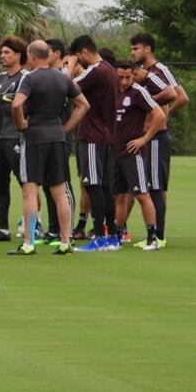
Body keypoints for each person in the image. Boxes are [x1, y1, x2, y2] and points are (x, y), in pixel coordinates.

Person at [7, 41, 89, 255]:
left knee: (30, 191)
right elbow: (84, 105)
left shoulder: (29, 78)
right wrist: (65, 129)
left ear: (32, 56)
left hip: (34, 138)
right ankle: (65, 241)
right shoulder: (62, 78)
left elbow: (16, 104)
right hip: (57, 138)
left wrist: (21, 124)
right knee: (59, 191)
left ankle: (28, 243)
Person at [130, 31, 185, 247]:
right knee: (152, 185)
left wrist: (159, 112)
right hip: (147, 136)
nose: (132, 52)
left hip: (156, 138)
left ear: (148, 49)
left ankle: (159, 236)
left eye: (136, 48)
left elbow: (180, 96)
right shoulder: (142, 73)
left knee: (156, 186)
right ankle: (154, 234)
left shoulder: (159, 70)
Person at [67, 34, 121, 252]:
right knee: (105, 186)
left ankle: (99, 236)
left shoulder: (96, 70)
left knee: (93, 185)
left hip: (92, 136)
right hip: (107, 136)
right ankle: (112, 236)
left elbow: (66, 87)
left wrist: (70, 67)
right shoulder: (110, 70)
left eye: (78, 57)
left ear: (83, 52)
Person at [113, 61, 165, 250]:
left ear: (133, 75)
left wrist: (144, 139)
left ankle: (152, 237)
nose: (124, 81)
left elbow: (159, 115)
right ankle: (118, 235)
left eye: (128, 77)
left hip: (132, 153)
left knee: (142, 194)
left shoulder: (138, 92)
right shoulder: (113, 92)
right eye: (120, 77)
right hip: (115, 152)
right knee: (119, 197)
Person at [0, 36, 29, 242]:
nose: (2, 56)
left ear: (18, 55)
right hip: (0, 138)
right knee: (0, 184)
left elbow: (21, 104)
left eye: (7, 52)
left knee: (26, 184)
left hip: (17, 138)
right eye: (1, 52)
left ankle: (33, 225)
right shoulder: (0, 79)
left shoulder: (26, 78)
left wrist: (6, 100)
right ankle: (3, 229)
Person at [42, 38, 77, 244]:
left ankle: (67, 231)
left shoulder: (64, 75)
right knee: (48, 184)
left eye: (47, 51)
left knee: (62, 183)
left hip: (60, 137)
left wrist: (66, 129)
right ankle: (54, 229)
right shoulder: (46, 74)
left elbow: (81, 103)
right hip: (45, 137)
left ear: (56, 53)